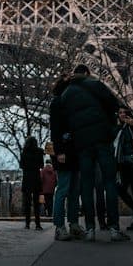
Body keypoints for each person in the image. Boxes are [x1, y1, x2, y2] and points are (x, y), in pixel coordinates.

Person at [58, 64, 128, 242]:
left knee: (86, 186)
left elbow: (64, 122)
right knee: (109, 182)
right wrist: (109, 127)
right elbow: (114, 105)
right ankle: (114, 228)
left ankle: (90, 229)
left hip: (82, 144)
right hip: (102, 140)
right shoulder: (95, 84)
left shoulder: (65, 95)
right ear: (87, 73)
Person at [48, 77, 82, 241]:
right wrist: (59, 151)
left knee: (74, 191)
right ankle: (59, 226)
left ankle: (74, 224)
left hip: (75, 152)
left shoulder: (71, 104)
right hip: (64, 152)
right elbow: (54, 130)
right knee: (63, 189)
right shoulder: (57, 103)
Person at [20, 135, 43, 230]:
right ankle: (38, 224)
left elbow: (21, 165)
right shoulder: (40, 152)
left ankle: (27, 224)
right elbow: (41, 165)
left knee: (27, 202)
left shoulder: (24, 152)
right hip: (36, 178)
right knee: (36, 203)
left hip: (27, 178)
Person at [38, 155, 57, 224]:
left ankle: (45, 213)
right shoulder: (54, 170)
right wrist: (54, 186)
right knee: (51, 201)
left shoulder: (43, 170)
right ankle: (50, 213)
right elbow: (56, 180)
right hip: (51, 189)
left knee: (45, 201)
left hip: (44, 189)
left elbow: (41, 179)